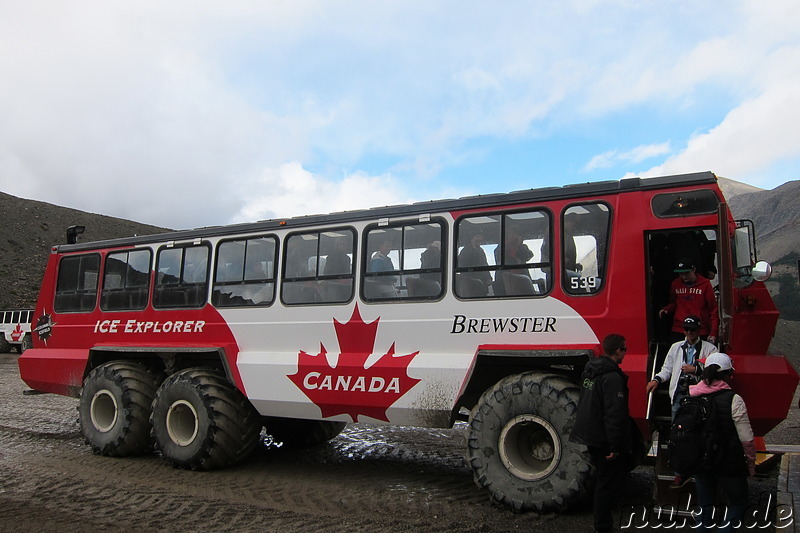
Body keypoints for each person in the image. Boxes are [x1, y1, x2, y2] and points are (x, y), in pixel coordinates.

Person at [570, 333, 632, 533]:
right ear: (617, 351)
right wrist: (615, 445)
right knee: (606, 484)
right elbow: (614, 413)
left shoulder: (591, 371)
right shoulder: (612, 377)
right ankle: (603, 527)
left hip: (590, 434)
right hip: (604, 439)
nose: (625, 353)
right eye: (624, 349)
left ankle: (602, 524)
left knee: (601, 480)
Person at [646, 315, 717, 488]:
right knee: (678, 435)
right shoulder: (675, 347)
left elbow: (716, 369)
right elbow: (667, 369)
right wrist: (656, 380)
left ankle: (700, 471)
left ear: (699, 330)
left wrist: (696, 369)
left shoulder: (710, 349)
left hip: (700, 397)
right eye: (686, 329)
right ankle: (679, 473)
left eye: (692, 330)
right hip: (679, 395)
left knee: (700, 433)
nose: (689, 333)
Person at [688, 353, 756, 532]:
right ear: (727, 375)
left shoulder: (693, 396)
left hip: (702, 462)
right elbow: (747, 438)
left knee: (705, 508)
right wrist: (750, 464)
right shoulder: (734, 400)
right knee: (737, 504)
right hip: (729, 464)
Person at [659, 258, 719, 344]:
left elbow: (713, 310)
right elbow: (674, 303)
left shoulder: (705, 284)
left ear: (693, 270)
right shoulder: (675, 284)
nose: (684, 276)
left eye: (686, 273)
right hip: (679, 328)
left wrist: (713, 332)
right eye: (681, 274)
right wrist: (666, 309)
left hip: (699, 329)